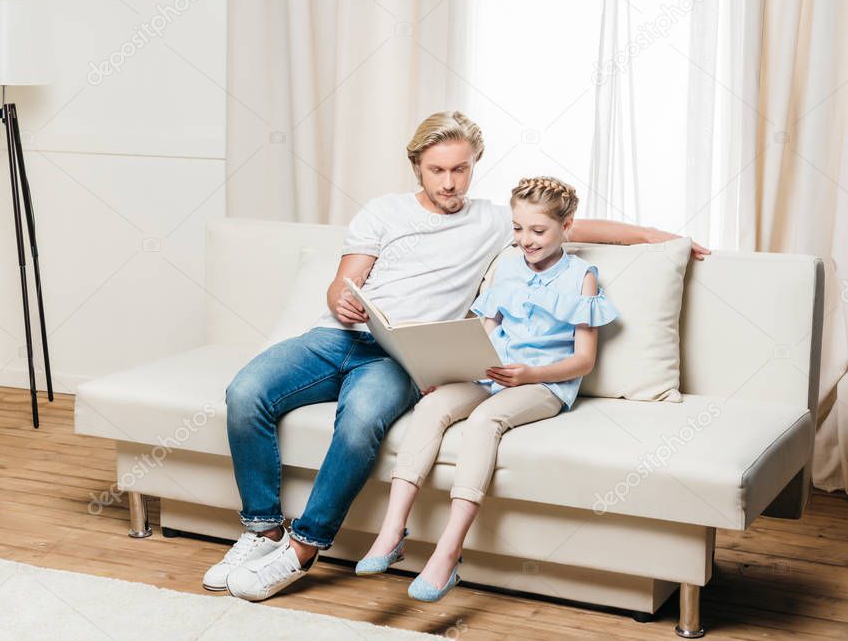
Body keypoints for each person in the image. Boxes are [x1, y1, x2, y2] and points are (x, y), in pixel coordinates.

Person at [208, 111, 709, 602]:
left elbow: (573, 227)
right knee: (246, 391)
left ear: (474, 165)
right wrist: (340, 295)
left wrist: (657, 238)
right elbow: (345, 279)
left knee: (360, 424)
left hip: (399, 359)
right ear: (417, 169)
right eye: (437, 170)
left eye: (460, 169)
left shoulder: (495, 222)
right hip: (337, 337)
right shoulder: (383, 211)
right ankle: (263, 529)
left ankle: (302, 549)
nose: (450, 183)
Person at [356, 176, 617, 602]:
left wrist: (530, 375)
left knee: (484, 422)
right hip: (491, 374)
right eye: (517, 228)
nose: (525, 240)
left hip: (543, 384)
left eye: (538, 231)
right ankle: (391, 531)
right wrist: (453, 367)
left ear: (566, 226)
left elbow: (583, 359)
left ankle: (448, 550)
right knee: (433, 406)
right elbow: (487, 330)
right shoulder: (508, 264)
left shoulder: (581, 276)